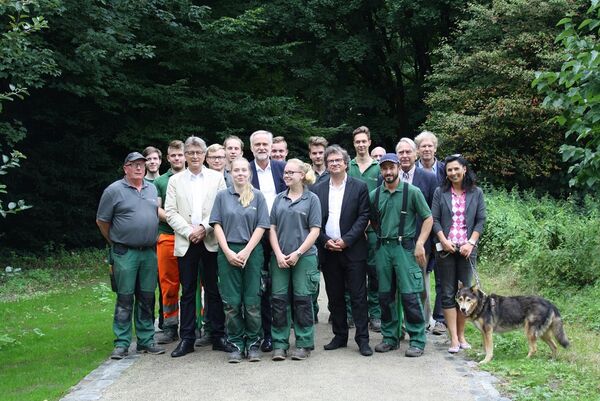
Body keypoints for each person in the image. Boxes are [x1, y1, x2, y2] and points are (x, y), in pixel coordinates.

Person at [165, 136, 231, 357]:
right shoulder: (175, 181)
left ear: (205, 155)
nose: (194, 156)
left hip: (210, 240)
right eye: (190, 152)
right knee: (188, 291)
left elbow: (221, 208)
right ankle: (187, 339)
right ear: (184, 155)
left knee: (213, 289)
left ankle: (218, 336)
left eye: (198, 152)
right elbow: (170, 212)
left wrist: (204, 228)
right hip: (186, 242)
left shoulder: (217, 178)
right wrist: (189, 232)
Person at [96, 152, 165, 359]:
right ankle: (122, 342)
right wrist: (115, 241)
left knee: (146, 296)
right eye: (134, 165)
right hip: (125, 252)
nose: (139, 168)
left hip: (148, 252)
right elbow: (102, 222)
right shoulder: (114, 191)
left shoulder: (151, 188)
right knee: (125, 298)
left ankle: (145, 340)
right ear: (125, 168)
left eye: (142, 164)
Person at [311, 145, 372, 356]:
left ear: (346, 163)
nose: (334, 164)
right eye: (331, 161)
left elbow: (364, 216)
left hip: (353, 250)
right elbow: (314, 221)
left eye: (338, 160)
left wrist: (346, 240)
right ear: (326, 165)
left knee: (358, 296)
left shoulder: (360, 186)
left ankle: (363, 339)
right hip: (328, 250)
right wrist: (326, 240)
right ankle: (340, 335)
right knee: (334, 296)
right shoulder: (317, 189)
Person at [370, 153, 433, 358]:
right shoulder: (375, 195)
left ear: (398, 168)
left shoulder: (412, 192)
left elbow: (428, 218)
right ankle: (390, 337)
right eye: (384, 168)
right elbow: (369, 220)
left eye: (391, 167)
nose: (388, 172)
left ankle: (416, 339)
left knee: (410, 295)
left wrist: (420, 243)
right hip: (383, 249)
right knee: (385, 295)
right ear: (381, 170)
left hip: (404, 249)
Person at [210, 157, 270, 363]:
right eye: (236, 170)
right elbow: (216, 225)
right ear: (230, 172)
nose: (240, 173)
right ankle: (236, 343)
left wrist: (246, 251)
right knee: (232, 302)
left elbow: (262, 226)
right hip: (228, 251)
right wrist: (227, 251)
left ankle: (253, 343)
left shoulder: (258, 197)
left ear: (249, 173)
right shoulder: (221, 196)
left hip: (252, 251)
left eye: (244, 170)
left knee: (252, 301)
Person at [431, 154, 486, 354]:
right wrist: (443, 241)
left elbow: (481, 220)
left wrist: (471, 243)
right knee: (447, 292)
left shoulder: (476, 193)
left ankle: (462, 335)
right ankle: (452, 338)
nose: (453, 173)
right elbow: (434, 218)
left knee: (466, 295)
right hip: (446, 249)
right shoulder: (440, 192)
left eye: (456, 169)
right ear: (445, 173)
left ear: (464, 170)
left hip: (466, 250)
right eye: (449, 170)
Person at [269, 158, 321, 361]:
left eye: (292, 172)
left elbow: (315, 230)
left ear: (302, 175)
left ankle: (304, 343)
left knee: (302, 300)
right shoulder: (279, 199)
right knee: (279, 301)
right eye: (286, 172)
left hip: (304, 258)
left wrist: (298, 253)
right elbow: (271, 228)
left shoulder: (312, 199)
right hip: (279, 258)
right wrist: (279, 254)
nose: (287, 175)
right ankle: (280, 344)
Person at [248, 130, 287, 353]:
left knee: (280, 285)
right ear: (251, 147)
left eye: (265, 144)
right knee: (261, 286)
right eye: (258, 144)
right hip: (256, 236)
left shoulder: (283, 169)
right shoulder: (246, 171)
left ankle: (283, 329)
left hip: (282, 234)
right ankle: (267, 334)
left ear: (272, 147)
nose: (262, 148)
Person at [396, 138, 438, 331]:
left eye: (408, 152)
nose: (404, 156)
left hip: (420, 241)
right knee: (396, 286)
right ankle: (399, 325)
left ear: (416, 154)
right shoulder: (389, 175)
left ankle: (419, 324)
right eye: (401, 152)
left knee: (419, 284)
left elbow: (432, 212)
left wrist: (425, 241)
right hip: (395, 242)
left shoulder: (428, 177)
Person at [348, 126, 381, 332]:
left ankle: (375, 313)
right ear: (354, 144)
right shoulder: (347, 166)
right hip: (351, 231)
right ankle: (351, 312)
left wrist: (368, 222)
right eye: (357, 141)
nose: (361, 144)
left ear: (369, 142)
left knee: (375, 272)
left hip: (374, 230)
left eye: (364, 141)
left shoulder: (378, 167)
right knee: (352, 272)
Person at [153, 141, 186, 345]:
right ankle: (171, 326)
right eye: (173, 155)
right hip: (168, 236)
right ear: (168, 158)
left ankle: (196, 324)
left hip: (192, 237)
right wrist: (177, 221)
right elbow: (156, 210)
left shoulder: (193, 177)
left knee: (195, 283)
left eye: (180, 155)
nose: (177, 158)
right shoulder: (160, 182)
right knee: (168, 283)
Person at [415, 130, 447, 335]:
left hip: (443, 229)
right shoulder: (411, 171)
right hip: (422, 233)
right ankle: (423, 318)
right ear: (418, 150)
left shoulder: (445, 170)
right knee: (423, 276)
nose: (426, 149)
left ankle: (441, 318)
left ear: (435, 148)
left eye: (430, 146)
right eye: (423, 146)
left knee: (443, 277)